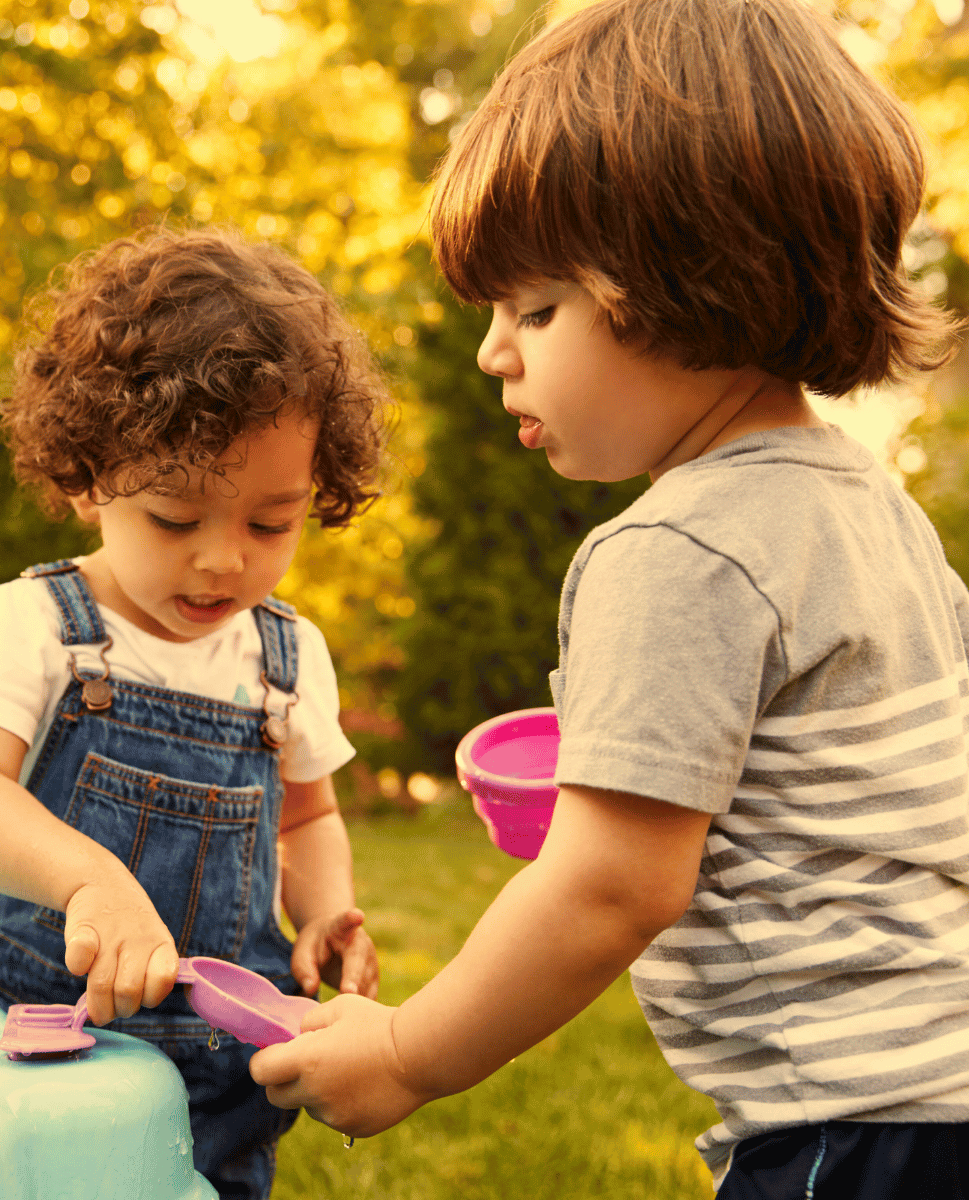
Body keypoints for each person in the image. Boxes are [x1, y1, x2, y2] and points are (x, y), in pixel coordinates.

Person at [250, 1, 969, 1195]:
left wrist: (407, 1055)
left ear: (697, 284)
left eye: (537, 308)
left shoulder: (678, 546)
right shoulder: (871, 506)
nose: (495, 351)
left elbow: (611, 884)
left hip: (855, 1125)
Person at [0, 227, 386, 1200]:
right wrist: (89, 882)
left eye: (271, 522)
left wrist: (326, 912)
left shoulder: (285, 658)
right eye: (175, 519)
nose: (224, 560)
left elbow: (308, 815)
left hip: (219, 1072)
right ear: (89, 477)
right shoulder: (30, 626)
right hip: (43, 1048)